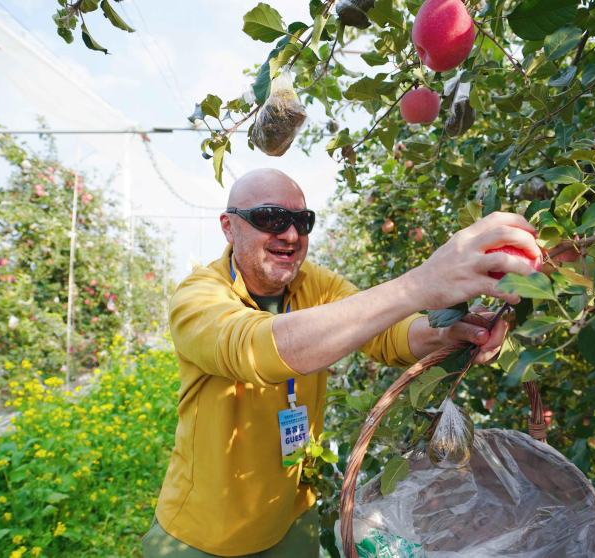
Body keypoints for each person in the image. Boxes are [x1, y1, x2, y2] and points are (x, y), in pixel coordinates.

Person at [143, 168, 542, 557]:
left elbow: (385, 334)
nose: (290, 235)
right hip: (204, 532)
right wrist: (420, 283)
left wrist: (446, 333)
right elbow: (255, 347)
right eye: (270, 218)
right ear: (229, 228)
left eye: (302, 221)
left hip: (293, 516)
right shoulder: (198, 297)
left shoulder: (315, 284)